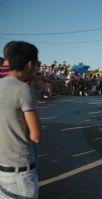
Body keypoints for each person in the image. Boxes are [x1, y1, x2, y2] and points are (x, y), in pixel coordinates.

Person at [0, 41, 41, 199]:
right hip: (21, 171)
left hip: (3, 165)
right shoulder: (23, 89)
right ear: (30, 64)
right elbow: (35, 135)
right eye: (37, 63)